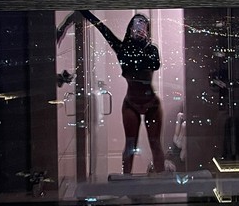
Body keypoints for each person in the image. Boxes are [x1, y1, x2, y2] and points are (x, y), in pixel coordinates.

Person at [57, 11, 165, 175]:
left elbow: (155, 64)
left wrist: (141, 45)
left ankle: (162, 180)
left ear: (147, 31)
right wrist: (75, 16)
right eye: (136, 25)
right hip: (131, 104)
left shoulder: (151, 50)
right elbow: (102, 28)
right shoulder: (122, 48)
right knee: (130, 145)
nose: (139, 28)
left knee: (155, 144)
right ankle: (126, 181)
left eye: (143, 26)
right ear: (130, 29)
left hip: (152, 104)